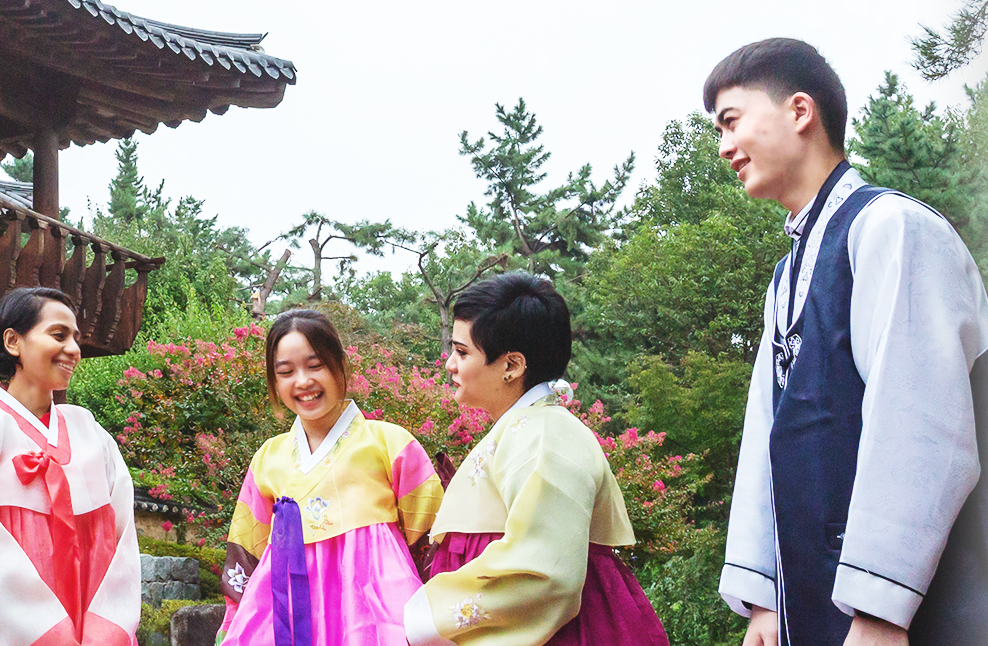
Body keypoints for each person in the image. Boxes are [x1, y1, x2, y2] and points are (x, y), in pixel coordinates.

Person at [704, 38, 988, 646]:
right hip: (819, 606)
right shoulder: (785, 277)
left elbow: (923, 427)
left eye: (732, 121)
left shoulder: (893, 226)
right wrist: (765, 598)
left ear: (800, 111)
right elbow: (768, 437)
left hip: (922, 611)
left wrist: (880, 611)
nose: (723, 146)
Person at [403, 273, 667, 646]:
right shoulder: (528, 429)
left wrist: (426, 621)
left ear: (511, 365)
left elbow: (545, 571)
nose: (449, 364)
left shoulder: (547, 435)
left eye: (462, 352)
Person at [219, 309, 445, 646]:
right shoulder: (268, 459)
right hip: (286, 618)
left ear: (340, 365)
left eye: (315, 365)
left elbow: (435, 544)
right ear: (274, 381)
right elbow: (245, 556)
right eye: (286, 371)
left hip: (374, 614)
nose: (303, 381)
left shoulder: (390, 444)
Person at [0, 287, 141, 646]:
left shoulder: (91, 433)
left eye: (75, 338)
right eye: (58, 335)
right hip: (2, 631)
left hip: (94, 633)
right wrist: (49, 636)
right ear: (13, 341)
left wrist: (106, 632)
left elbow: (124, 544)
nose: (73, 349)